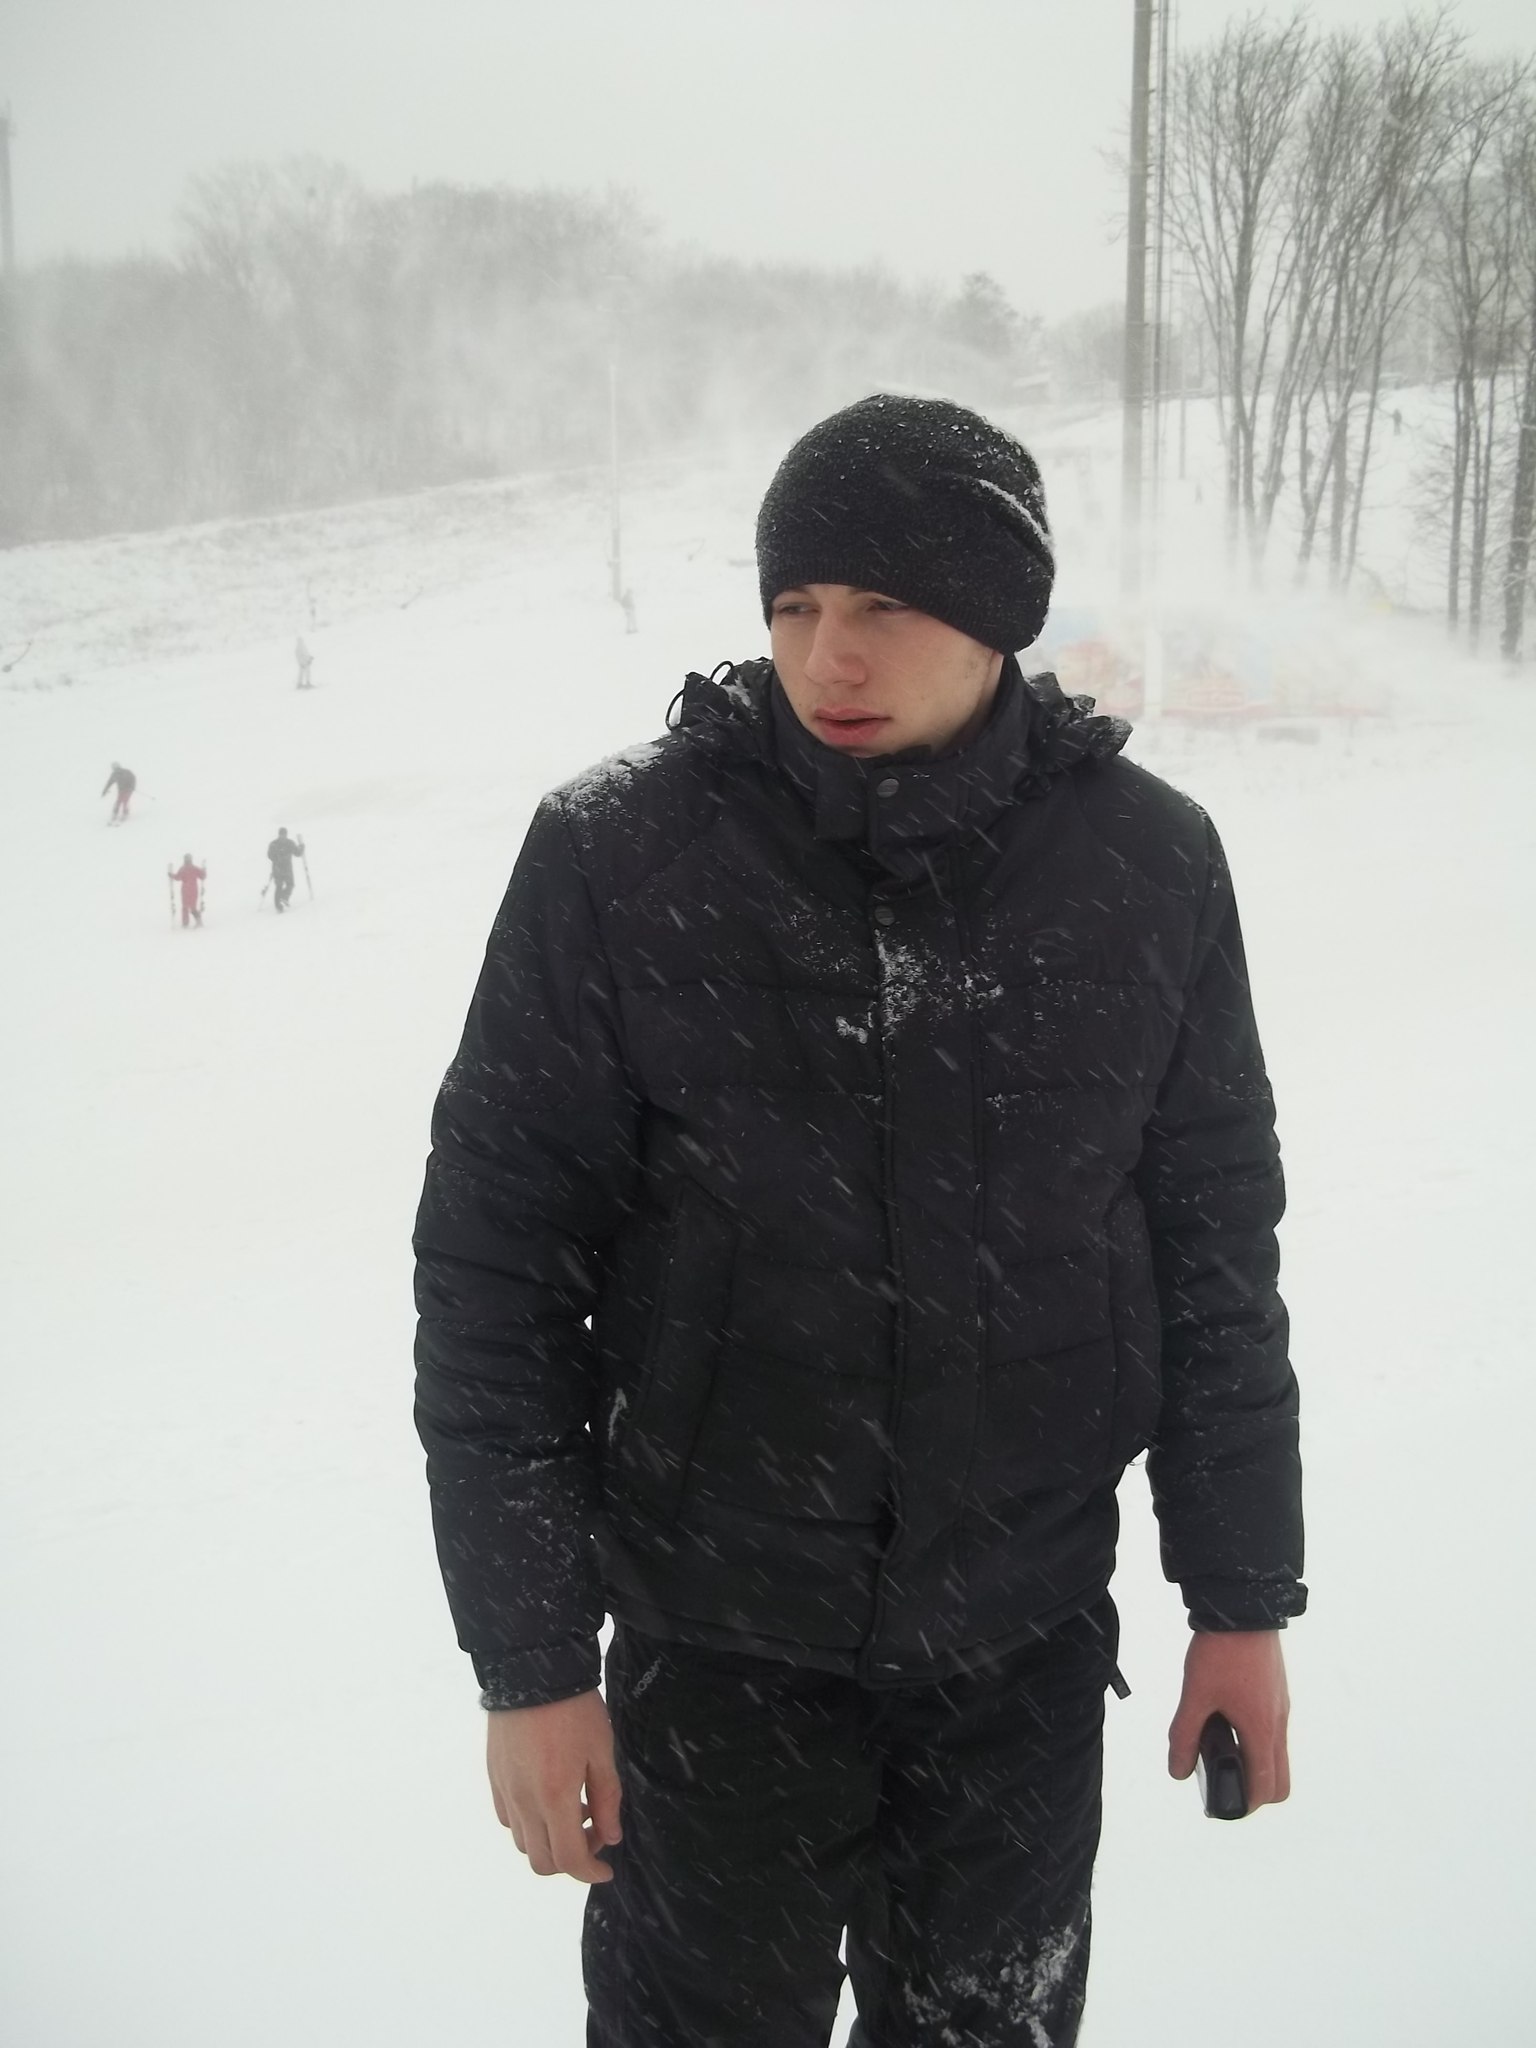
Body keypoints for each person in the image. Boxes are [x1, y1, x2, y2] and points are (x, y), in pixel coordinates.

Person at [413, 394, 1305, 2047]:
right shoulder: (621, 859)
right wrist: (528, 1664)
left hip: (1022, 1652)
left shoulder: (1147, 867)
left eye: (886, 603)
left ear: (1001, 613)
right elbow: (496, 1275)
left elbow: (1214, 1259)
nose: (831, 653)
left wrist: (1240, 1599)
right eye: (797, 603)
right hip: (714, 1651)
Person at [266, 827, 305, 912]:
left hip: (282, 869)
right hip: (281, 869)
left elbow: (297, 853)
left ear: (286, 835)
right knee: (282, 886)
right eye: (281, 835)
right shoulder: (277, 844)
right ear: (279, 835)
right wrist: (277, 858)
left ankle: (282, 900)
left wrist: (301, 847)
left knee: (287, 885)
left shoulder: (282, 844)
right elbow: (270, 855)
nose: (283, 836)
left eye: (284, 835)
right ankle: (280, 903)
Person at [168, 854, 205, 928]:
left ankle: (186, 923)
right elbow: (202, 876)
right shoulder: (194, 868)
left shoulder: (183, 869)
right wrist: (204, 871)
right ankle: (197, 920)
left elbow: (177, 877)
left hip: (186, 890)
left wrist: (171, 875)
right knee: (191, 906)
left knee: (186, 907)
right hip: (192, 890)